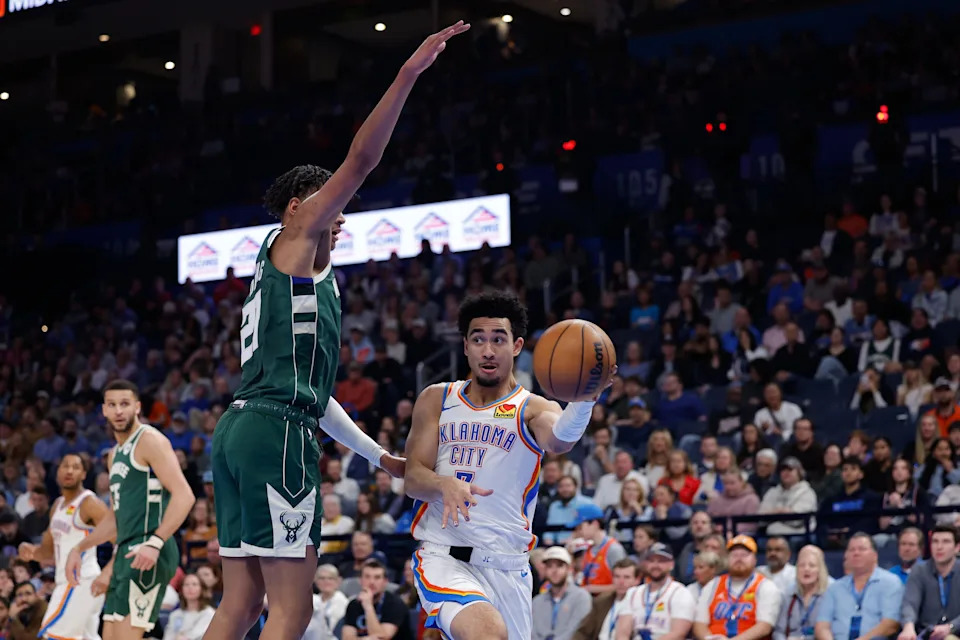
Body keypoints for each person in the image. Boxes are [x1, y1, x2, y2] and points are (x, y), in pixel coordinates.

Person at [202, 21, 469, 640]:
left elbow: (315, 398)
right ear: (299, 207)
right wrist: (407, 73)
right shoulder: (296, 237)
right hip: (277, 435)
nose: (340, 212)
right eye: (329, 201)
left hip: (242, 429)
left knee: (241, 603)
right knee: (293, 610)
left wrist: (378, 456)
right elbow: (363, 160)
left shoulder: (290, 272)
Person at [405, 291, 613, 640]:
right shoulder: (437, 399)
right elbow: (413, 478)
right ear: (466, 346)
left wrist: (583, 401)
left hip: (510, 566)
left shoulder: (533, 408)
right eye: (478, 339)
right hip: (444, 558)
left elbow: (560, 440)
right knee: (487, 633)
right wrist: (444, 484)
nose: (488, 350)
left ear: (516, 346)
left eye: (498, 339)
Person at [65, 380, 195, 640]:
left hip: (149, 547)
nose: (118, 411)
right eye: (112, 405)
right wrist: (79, 548)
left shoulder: (150, 440)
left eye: (124, 404)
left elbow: (185, 496)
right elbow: (115, 518)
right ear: (104, 410)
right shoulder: (114, 455)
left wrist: (155, 542)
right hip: (125, 552)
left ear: (137, 407)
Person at [18, 453, 111, 640]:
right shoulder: (57, 505)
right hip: (67, 581)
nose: (69, 471)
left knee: (54, 635)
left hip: (81, 581)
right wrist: (31, 552)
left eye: (75, 467)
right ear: (57, 471)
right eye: (65, 466)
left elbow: (119, 536)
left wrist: (108, 573)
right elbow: (47, 551)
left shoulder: (90, 503)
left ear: (84, 474)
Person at [814, 533, 903, 640]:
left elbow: (891, 624)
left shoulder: (890, 583)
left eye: (862, 549)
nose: (856, 553)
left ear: (875, 555)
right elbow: (822, 626)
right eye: (851, 550)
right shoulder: (835, 588)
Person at [692, 535, 782, 640]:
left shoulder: (765, 586)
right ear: (727, 558)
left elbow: (764, 627)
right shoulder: (713, 585)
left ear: (754, 559)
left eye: (744, 554)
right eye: (734, 554)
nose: (739, 558)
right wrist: (709, 638)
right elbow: (699, 623)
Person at [615, 543, 695, 640]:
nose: (655, 565)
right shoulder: (633, 593)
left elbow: (678, 634)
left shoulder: (681, 593)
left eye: (661, 561)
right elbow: (622, 633)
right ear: (645, 564)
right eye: (651, 561)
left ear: (671, 564)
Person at [899, 524, 960, 640]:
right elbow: (910, 603)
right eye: (935, 542)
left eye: (946, 542)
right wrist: (908, 626)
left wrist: (951, 627)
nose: (939, 547)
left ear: (957, 547)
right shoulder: (919, 570)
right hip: (927, 634)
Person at [531, 547, 592, 640]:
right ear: (545, 570)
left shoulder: (582, 597)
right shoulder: (536, 602)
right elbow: (533, 632)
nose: (554, 570)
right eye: (550, 566)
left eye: (559, 565)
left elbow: (577, 630)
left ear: (569, 568)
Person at [341, 559, 410, 640]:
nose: (372, 582)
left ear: (385, 582)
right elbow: (347, 637)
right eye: (367, 577)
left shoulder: (395, 604)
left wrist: (368, 606)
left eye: (377, 577)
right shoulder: (354, 604)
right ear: (360, 580)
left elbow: (382, 638)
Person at [574, 558, 640, 640]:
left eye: (627, 577)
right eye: (617, 577)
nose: (621, 582)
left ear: (637, 580)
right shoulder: (602, 601)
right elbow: (583, 632)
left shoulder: (640, 604)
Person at [774, 545, 830, 640]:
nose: (806, 569)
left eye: (812, 565)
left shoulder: (830, 593)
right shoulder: (789, 594)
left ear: (820, 570)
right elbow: (779, 631)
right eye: (801, 565)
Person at [572, 503, 628, 595]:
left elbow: (624, 585)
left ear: (595, 524)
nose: (578, 531)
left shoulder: (613, 549)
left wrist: (592, 589)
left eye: (580, 527)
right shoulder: (589, 549)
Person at [162, 573, 215, 640]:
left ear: (202, 589)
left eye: (194, 584)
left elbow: (195, 635)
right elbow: (168, 636)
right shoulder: (175, 614)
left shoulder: (208, 613)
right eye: (186, 584)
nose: (190, 588)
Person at [304, 564, 349, 640]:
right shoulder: (312, 600)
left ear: (338, 581)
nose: (326, 581)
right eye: (322, 578)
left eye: (330, 578)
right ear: (315, 580)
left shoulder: (344, 602)